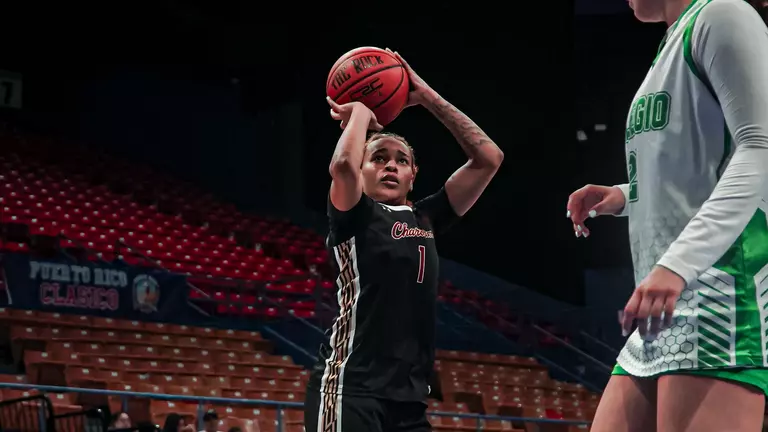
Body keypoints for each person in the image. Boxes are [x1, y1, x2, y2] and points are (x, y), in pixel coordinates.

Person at [567, 0, 768, 430]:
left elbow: (760, 150)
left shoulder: (723, 13)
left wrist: (676, 266)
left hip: (719, 294)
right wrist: (625, 195)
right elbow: (695, 168)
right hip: (661, 304)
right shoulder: (673, 40)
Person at [304, 49, 503, 432]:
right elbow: (341, 166)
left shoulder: (426, 217)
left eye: (401, 160)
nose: (391, 165)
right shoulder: (353, 213)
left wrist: (426, 95)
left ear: (413, 175)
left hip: (409, 399)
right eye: (378, 158)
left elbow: (488, 157)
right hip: (349, 387)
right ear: (362, 171)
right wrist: (361, 112)